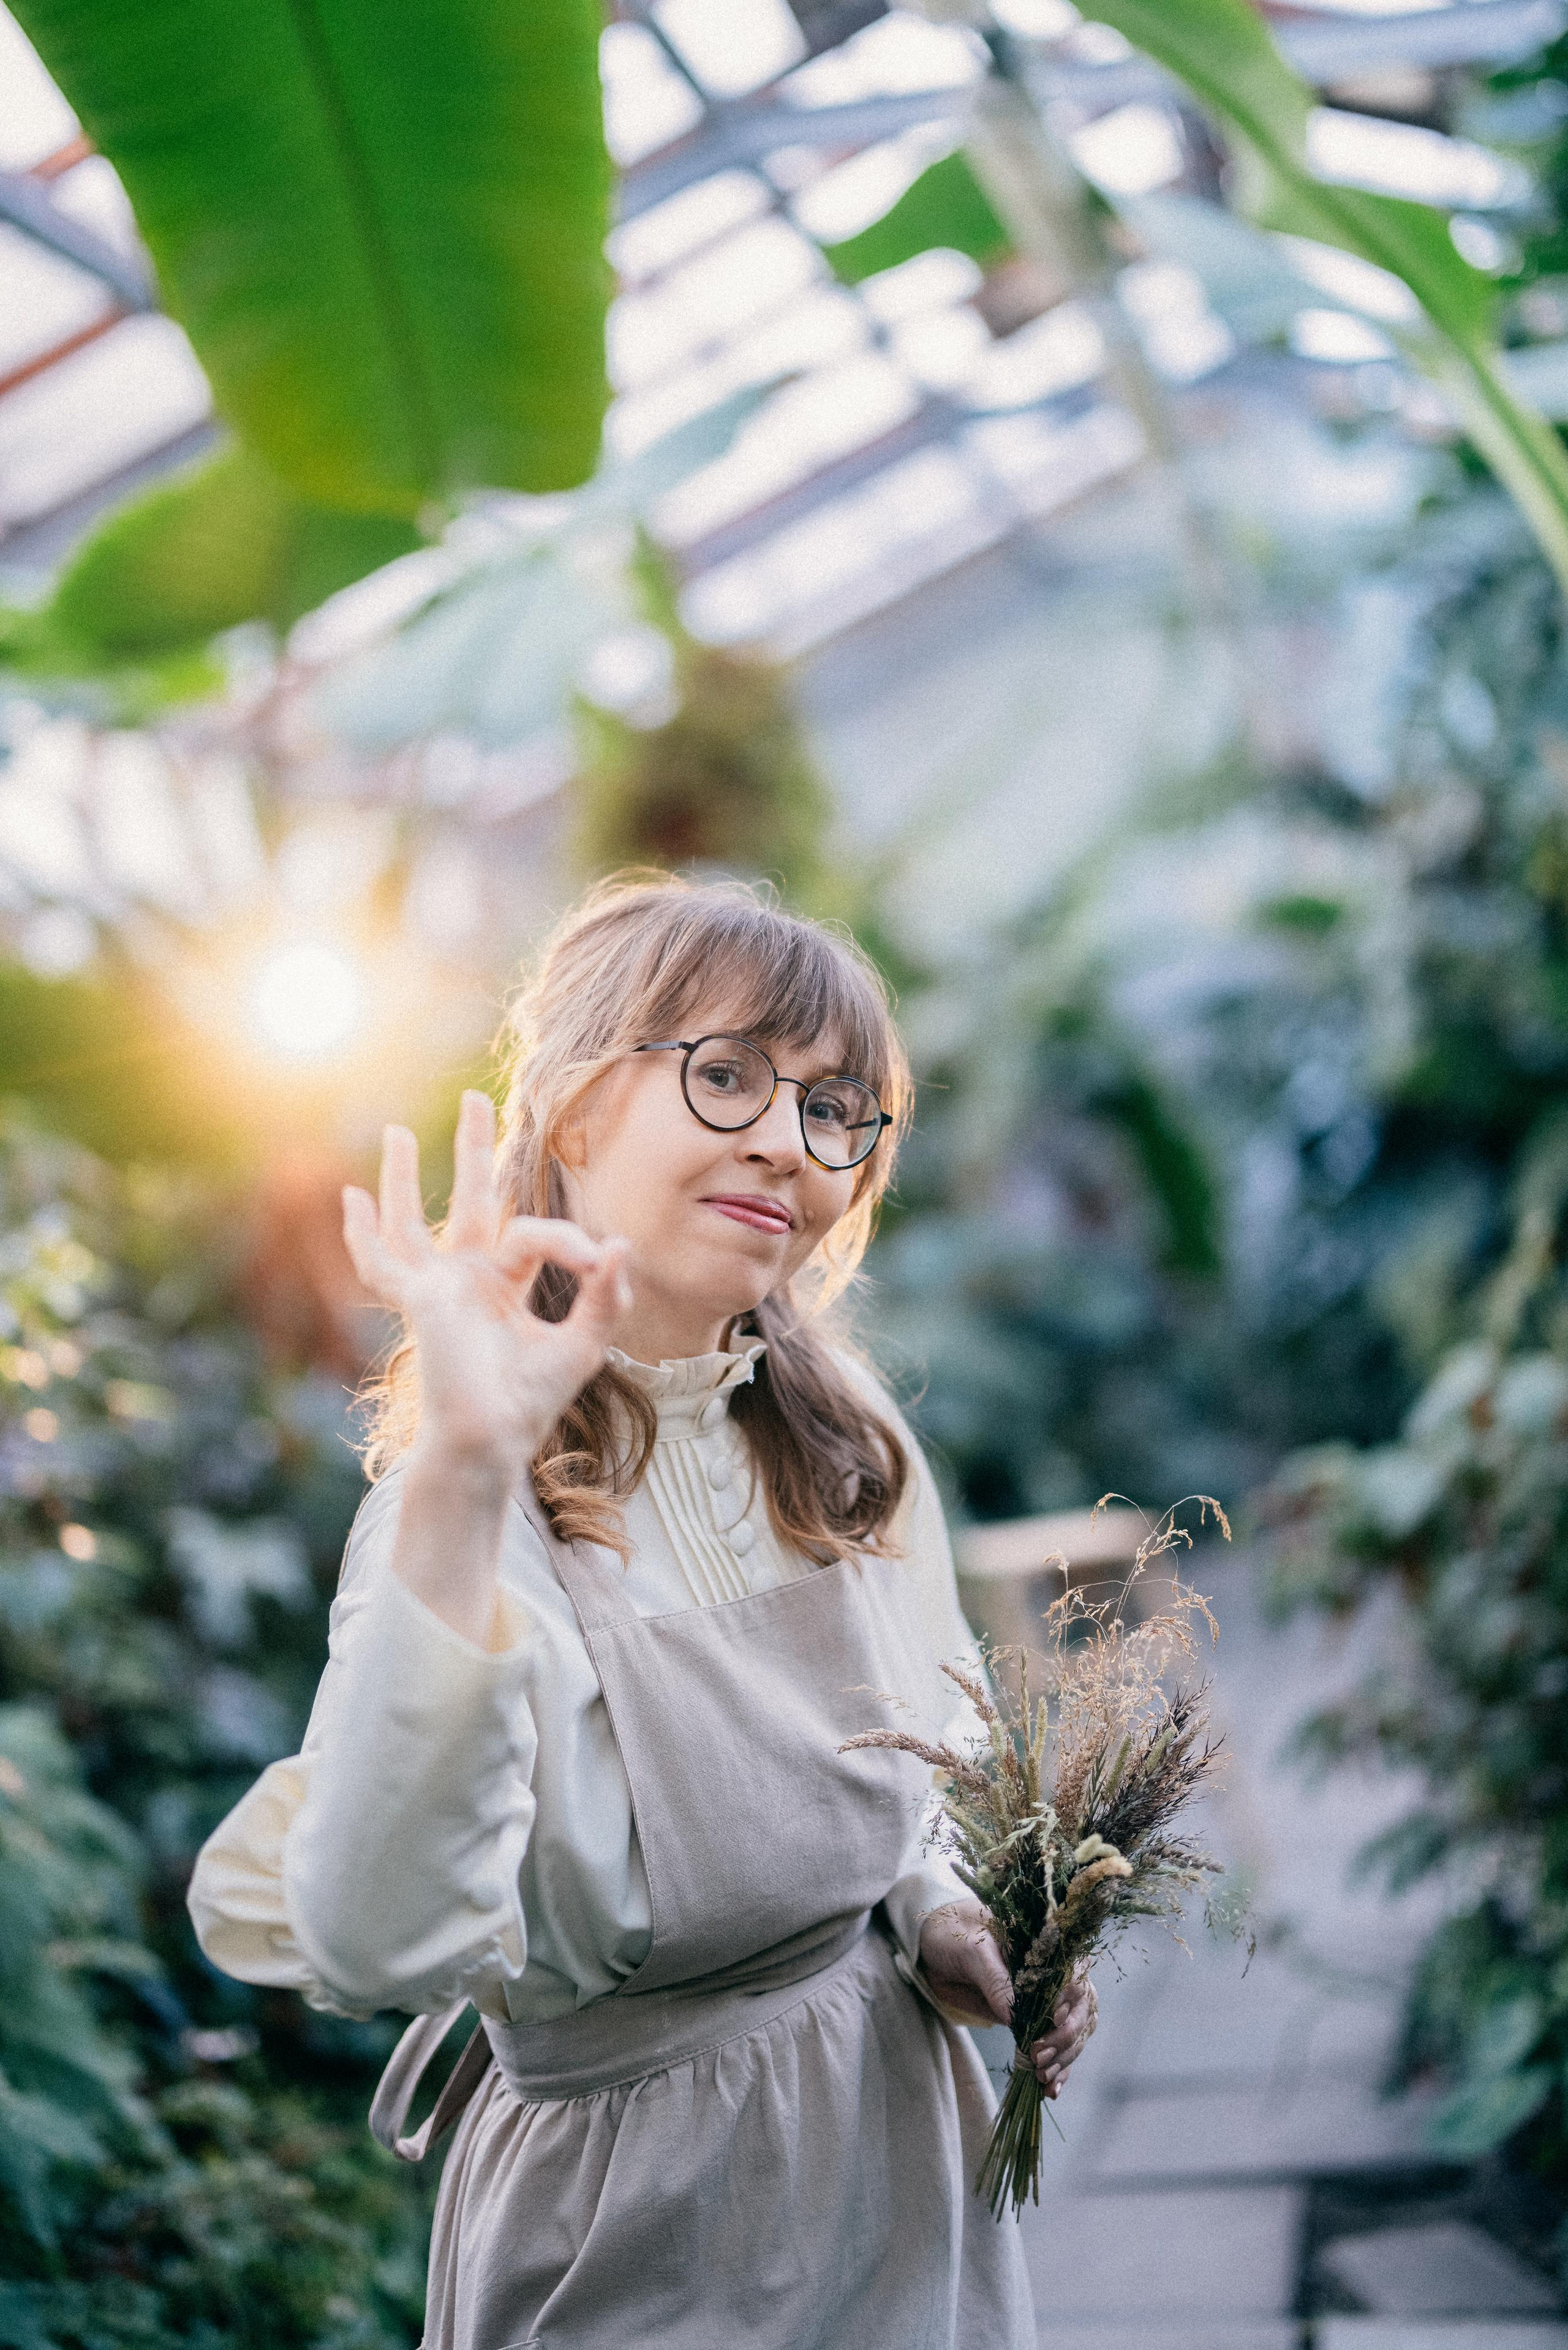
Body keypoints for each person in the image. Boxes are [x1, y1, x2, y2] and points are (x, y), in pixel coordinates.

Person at [188, 874, 1096, 2350]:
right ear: (573, 1106)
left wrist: (933, 1910)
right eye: (725, 1072)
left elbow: (923, 1742)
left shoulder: (848, 1445)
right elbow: (373, 1940)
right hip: (637, 2214)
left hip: (896, 2155)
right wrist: (470, 1467)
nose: (781, 1140)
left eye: (834, 1107)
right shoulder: (466, 1509)